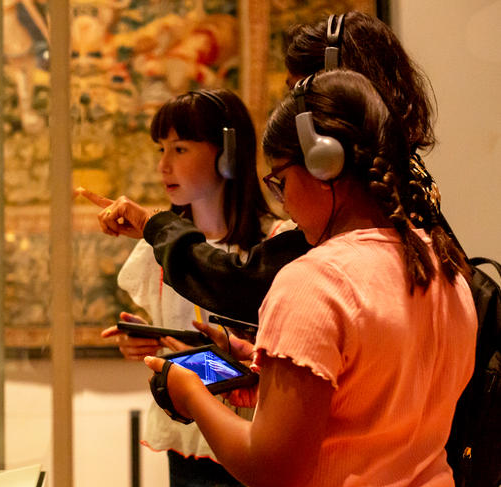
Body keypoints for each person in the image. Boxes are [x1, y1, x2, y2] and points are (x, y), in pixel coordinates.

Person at [145, 69, 476, 487]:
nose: (283, 201)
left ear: (324, 166)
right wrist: (270, 383)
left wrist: (190, 394)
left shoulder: (314, 282)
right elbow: (372, 408)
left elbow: (272, 470)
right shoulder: (445, 268)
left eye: (280, 179)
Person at [82, 12, 456, 327]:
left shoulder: (337, 253)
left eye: (300, 97)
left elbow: (240, 283)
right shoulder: (411, 201)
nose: (294, 116)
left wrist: (154, 226)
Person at [81, 88, 292, 487]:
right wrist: (144, 347)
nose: (163, 165)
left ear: (227, 152)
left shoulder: (275, 244)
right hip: (190, 452)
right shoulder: (157, 249)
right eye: (162, 149)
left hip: (257, 451)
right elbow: (168, 346)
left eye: (180, 148)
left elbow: (282, 356)